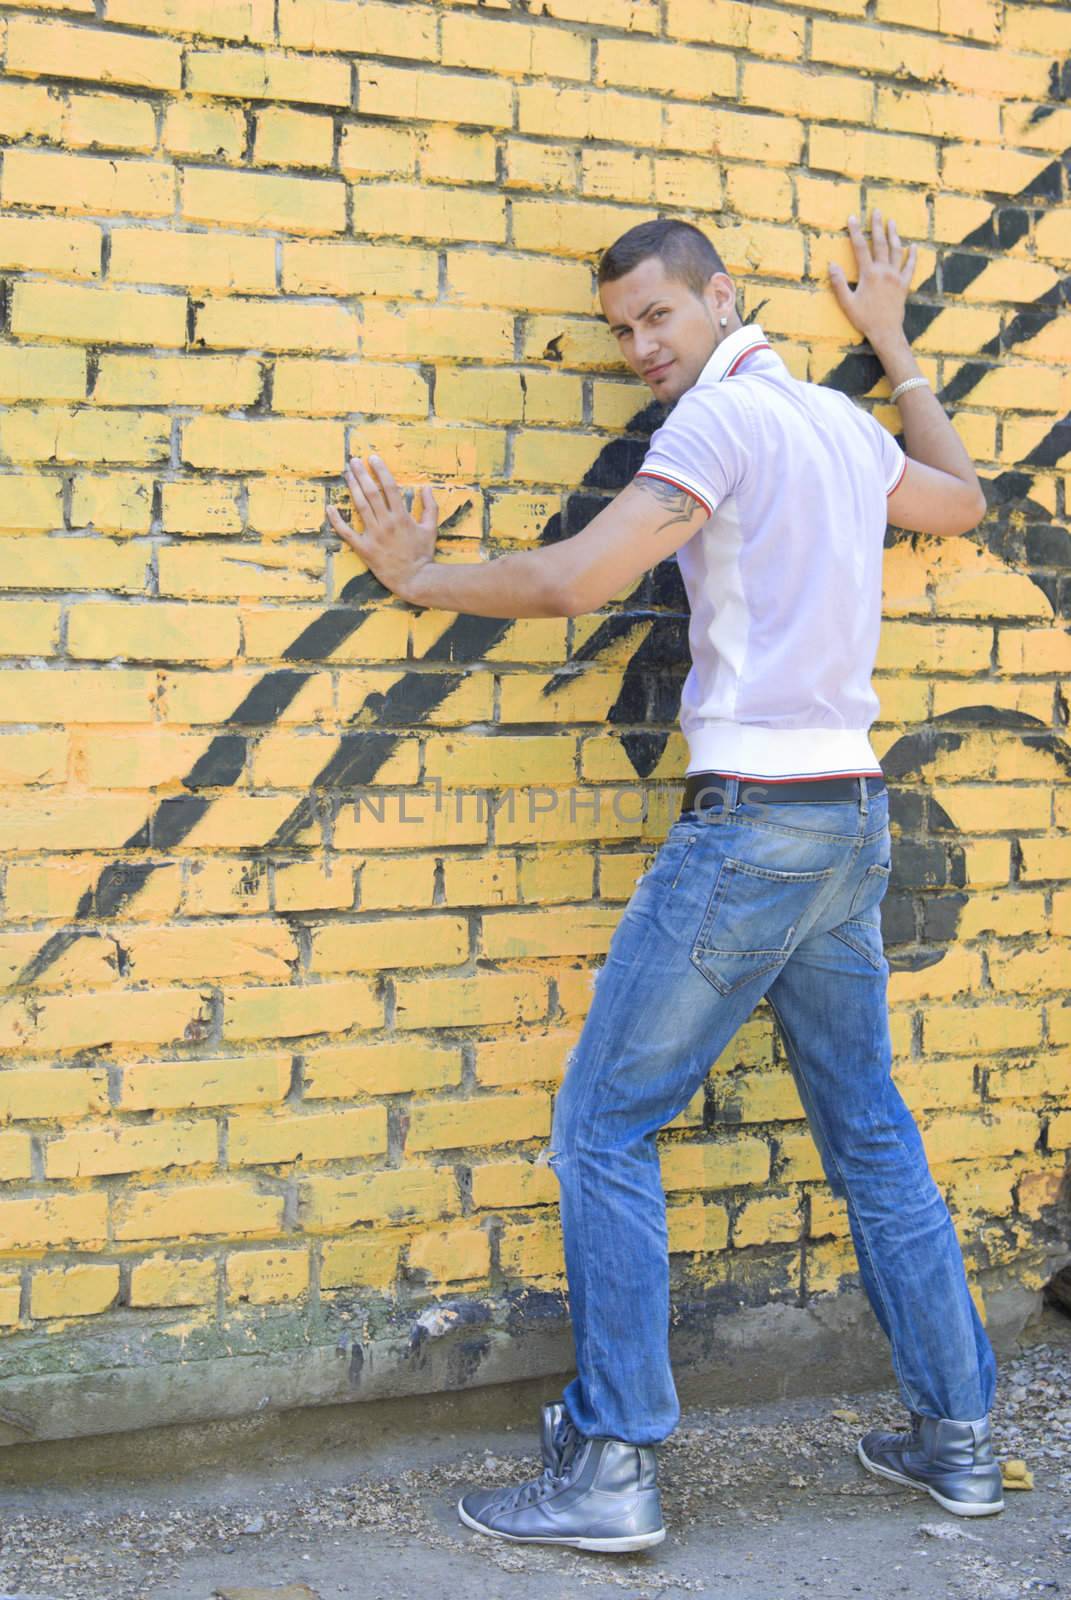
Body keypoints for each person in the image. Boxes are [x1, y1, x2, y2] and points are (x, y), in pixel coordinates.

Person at [327, 212, 1002, 1551]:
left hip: (753, 827)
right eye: (624, 328)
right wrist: (894, 345)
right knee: (870, 1135)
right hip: (851, 820)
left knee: (602, 1128)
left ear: (720, 299)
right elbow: (962, 499)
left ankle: (614, 1469)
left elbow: (577, 578)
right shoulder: (836, 426)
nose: (641, 347)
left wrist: (419, 574)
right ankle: (960, 1439)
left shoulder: (716, 426)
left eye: (658, 318)